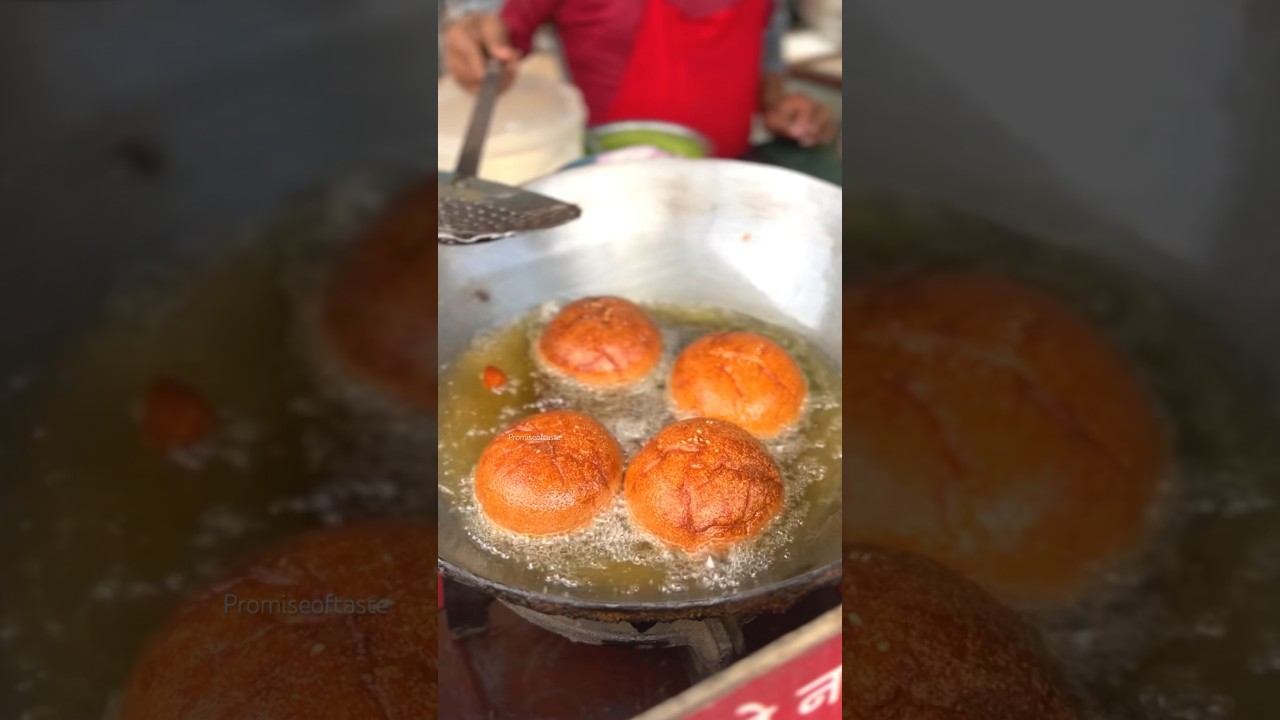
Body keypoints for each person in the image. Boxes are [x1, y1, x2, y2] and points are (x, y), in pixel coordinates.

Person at [442, 0, 838, 159]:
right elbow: (500, 32)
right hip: (612, 187)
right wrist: (476, 38)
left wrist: (777, 103)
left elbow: (766, 37)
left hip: (728, 175)